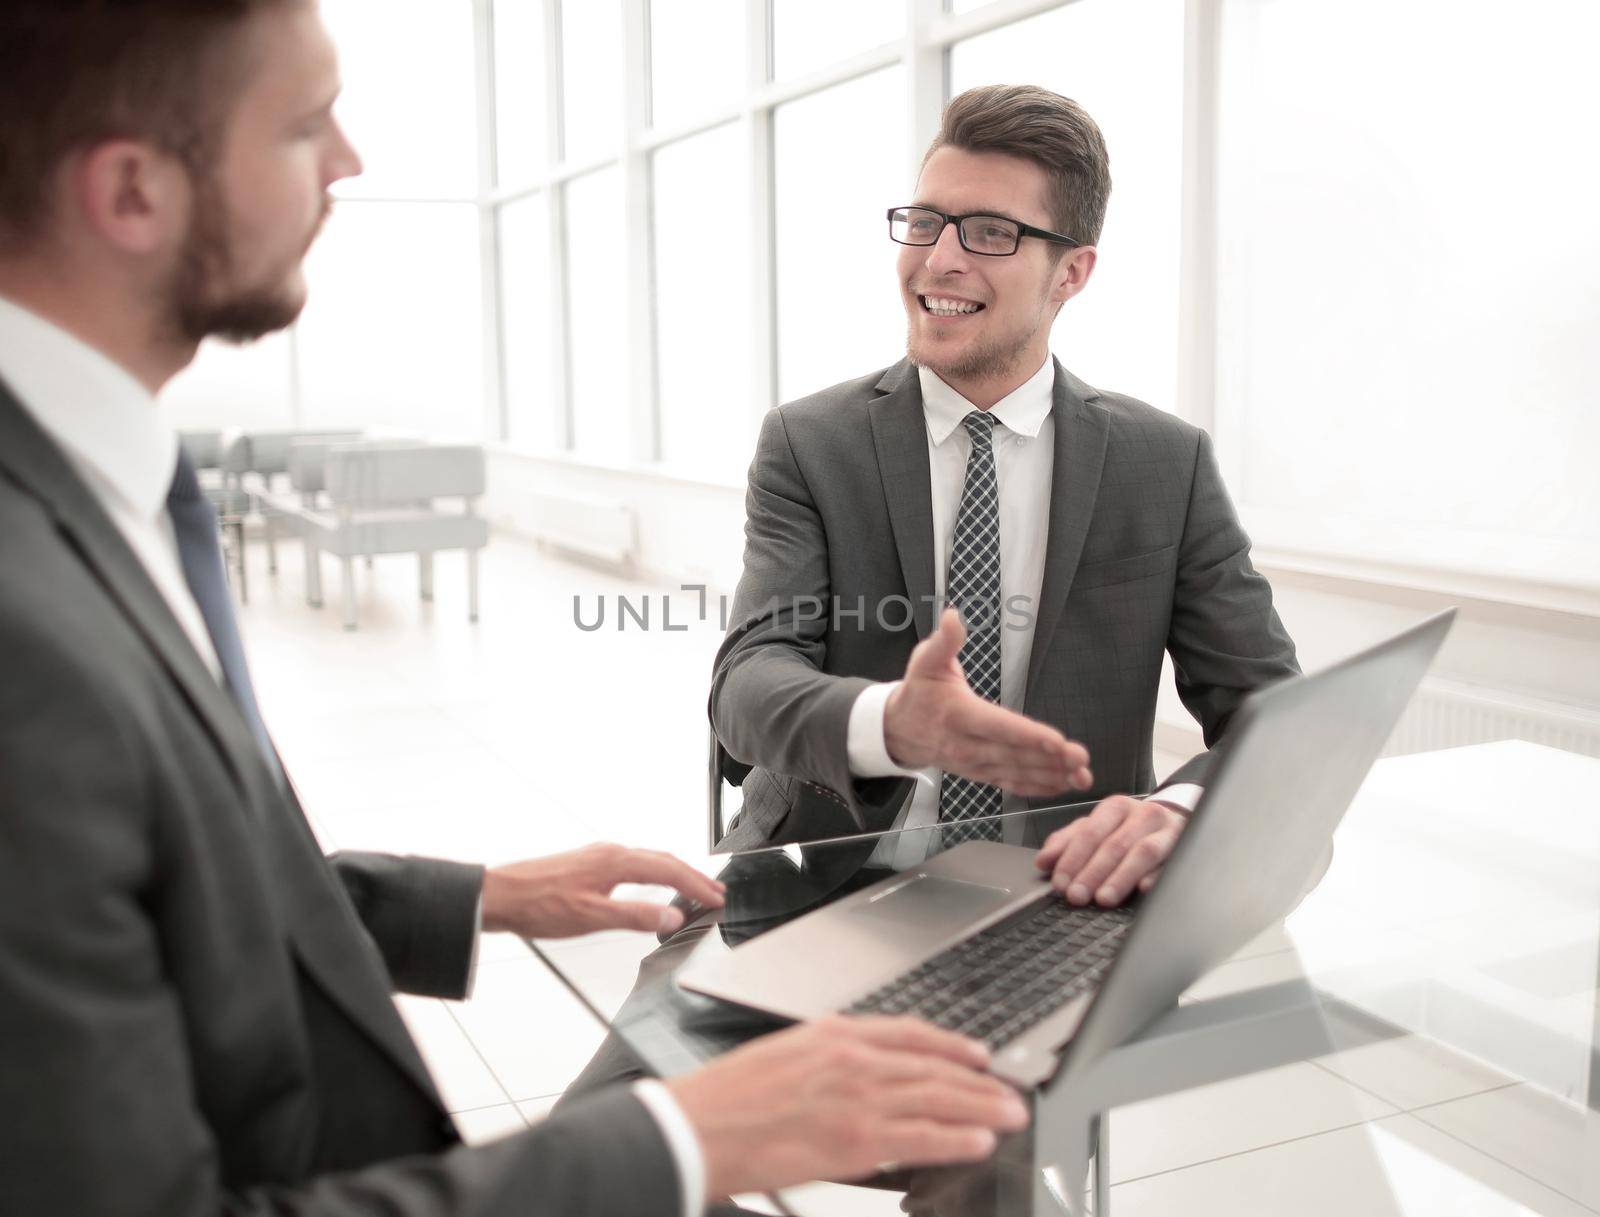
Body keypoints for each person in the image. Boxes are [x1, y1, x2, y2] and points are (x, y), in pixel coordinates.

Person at [0, 4, 1029, 1215]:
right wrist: (685, 1147)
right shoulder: (25, 637)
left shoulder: (90, 488)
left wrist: (482, 893)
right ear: (131, 193)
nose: (349, 162)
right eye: (301, 124)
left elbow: (161, 883)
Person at [710, 83, 1300, 905]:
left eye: (991, 233)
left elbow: (1273, 711)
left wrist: (1183, 811)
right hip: (824, 881)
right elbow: (747, 680)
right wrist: (890, 722)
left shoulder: (1167, 464)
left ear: (1072, 273)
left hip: (1070, 893)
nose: (939, 259)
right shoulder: (811, 443)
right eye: (925, 222)